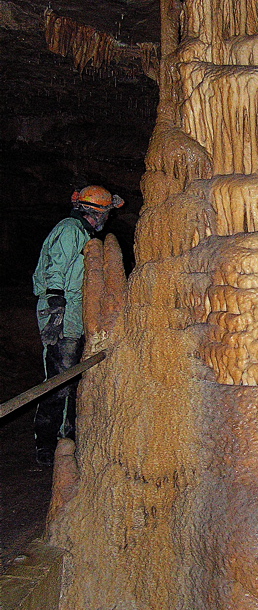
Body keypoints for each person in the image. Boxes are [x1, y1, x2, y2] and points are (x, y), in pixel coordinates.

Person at [32, 185, 124, 465]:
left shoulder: (84, 234)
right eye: (106, 211)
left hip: (74, 316)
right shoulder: (71, 229)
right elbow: (55, 268)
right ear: (96, 211)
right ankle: (49, 444)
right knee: (59, 380)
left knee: (71, 380)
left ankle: (69, 438)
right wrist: (56, 302)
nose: (108, 217)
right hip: (60, 313)